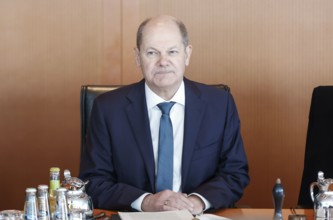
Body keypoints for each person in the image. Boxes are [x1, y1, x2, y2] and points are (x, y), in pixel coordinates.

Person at [79, 15, 249, 214]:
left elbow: (235, 174)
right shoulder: (108, 108)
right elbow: (93, 182)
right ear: (137, 57)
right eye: (152, 53)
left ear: (187, 54)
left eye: (172, 52)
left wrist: (196, 202)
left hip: (198, 216)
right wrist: (145, 202)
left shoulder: (220, 105)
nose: (163, 61)